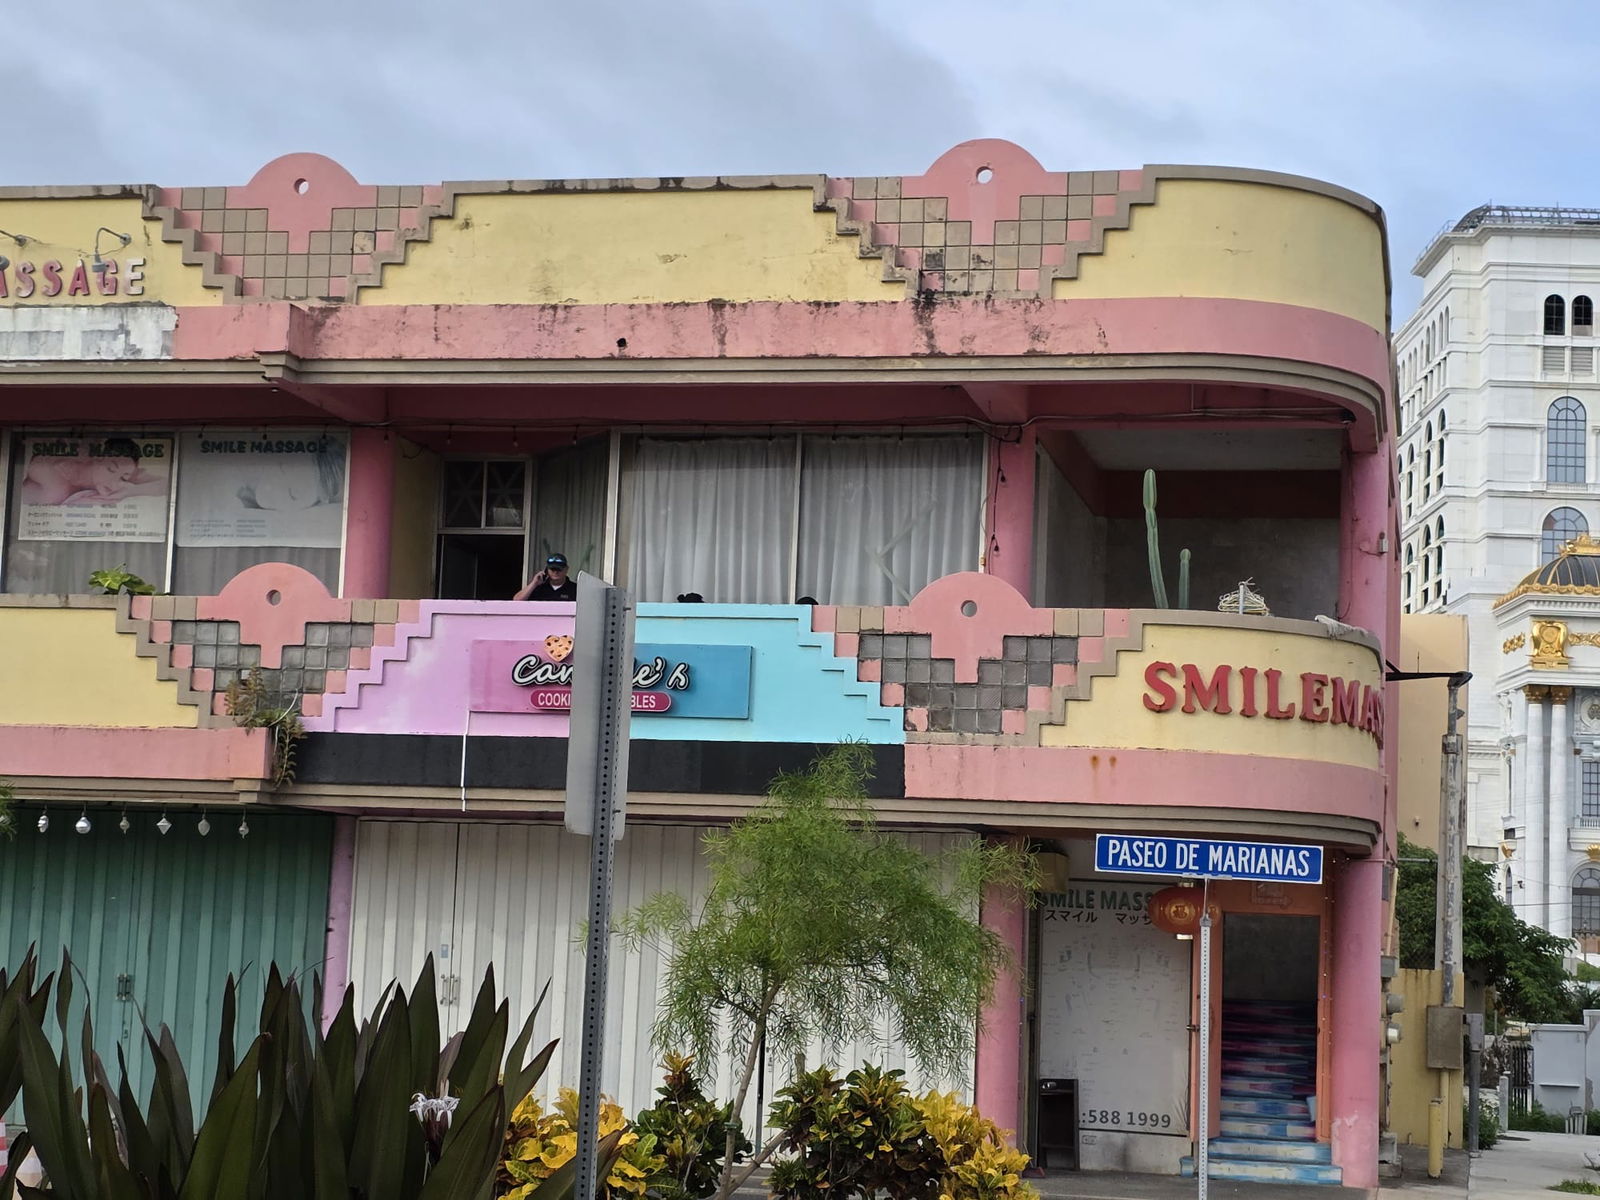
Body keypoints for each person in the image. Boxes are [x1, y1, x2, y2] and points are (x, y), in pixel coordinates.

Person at [22, 437, 165, 505]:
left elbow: (168, 484)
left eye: (124, 478)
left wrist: (131, 491)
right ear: (97, 458)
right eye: (110, 469)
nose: (115, 482)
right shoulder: (51, 469)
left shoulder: (119, 480)